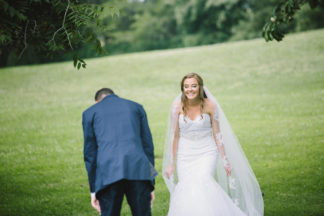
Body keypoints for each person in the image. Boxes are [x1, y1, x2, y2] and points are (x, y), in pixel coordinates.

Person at [163, 73, 264, 216]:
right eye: (186, 86)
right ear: (182, 88)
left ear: (200, 87)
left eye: (193, 86)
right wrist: (171, 163)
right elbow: (175, 136)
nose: (189, 89)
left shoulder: (210, 105)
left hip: (207, 151)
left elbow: (217, 134)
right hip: (185, 153)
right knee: (186, 186)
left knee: (204, 181)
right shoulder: (176, 106)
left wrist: (225, 159)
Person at [82, 88, 158, 216]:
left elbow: (90, 154)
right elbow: (148, 147)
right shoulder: (136, 107)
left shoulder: (90, 113)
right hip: (138, 170)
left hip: (108, 172)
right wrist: (150, 182)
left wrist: (94, 190)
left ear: (97, 102)